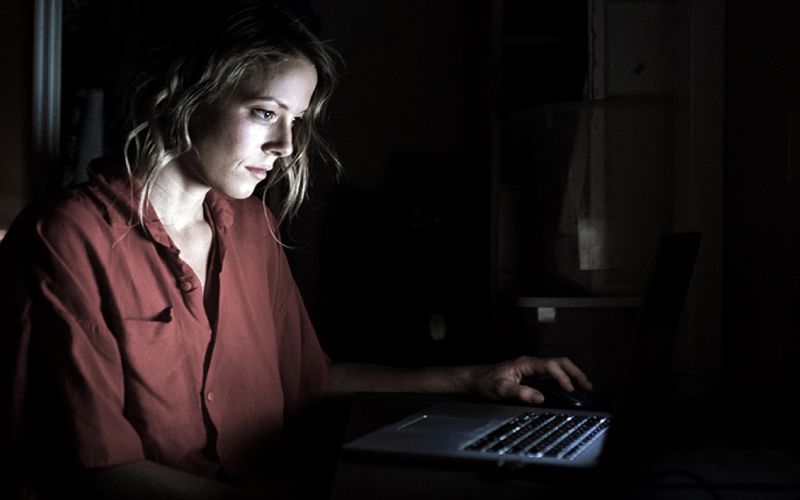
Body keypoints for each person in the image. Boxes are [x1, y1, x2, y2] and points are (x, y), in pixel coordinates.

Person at [0, 2, 592, 499]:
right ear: (175, 100)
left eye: (296, 119)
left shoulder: (253, 227)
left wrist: (473, 379)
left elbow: (304, 378)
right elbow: (91, 466)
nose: (285, 144)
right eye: (264, 112)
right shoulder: (66, 238)